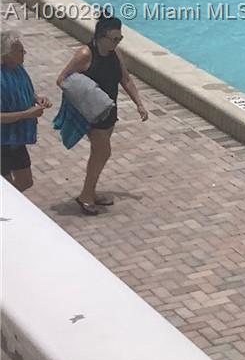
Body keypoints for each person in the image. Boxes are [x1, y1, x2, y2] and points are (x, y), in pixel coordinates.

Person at [57, 14, 147, 215]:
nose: (117, 43)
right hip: (92, 113)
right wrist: (89, 92)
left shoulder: (115, 53)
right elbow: (62, 79)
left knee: (98, 155)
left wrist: (139, 104)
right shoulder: (85, 54)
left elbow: (126, 80)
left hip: (109, 110)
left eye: (120, 39)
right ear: (100, 36)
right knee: (103, 152)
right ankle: (85, 196)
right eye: (114, 39)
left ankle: (90, 191)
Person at [2, 29, 51, 194]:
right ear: (6, 54)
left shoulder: (17, 68)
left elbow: (22, 89)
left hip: (15, 139)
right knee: (7, 189)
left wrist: (37, 98)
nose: (24, 54)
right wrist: (27, 114)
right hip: (2, 141)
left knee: (25, 181)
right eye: (20, 51)